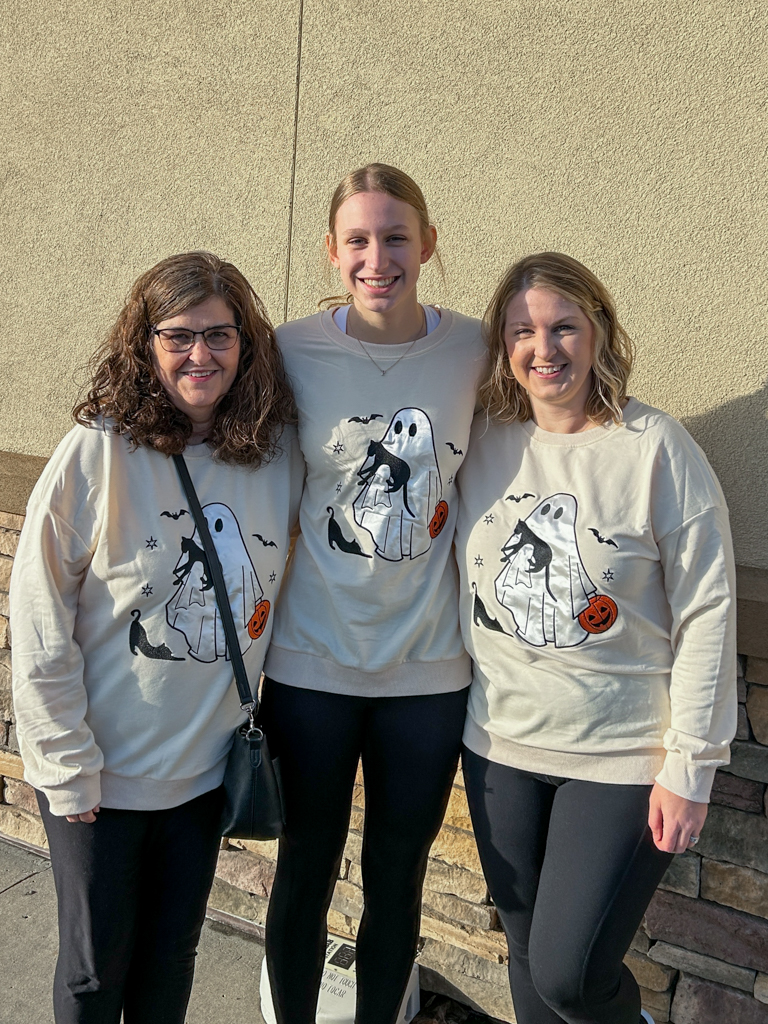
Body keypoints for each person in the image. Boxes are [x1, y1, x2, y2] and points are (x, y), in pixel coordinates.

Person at [10, 251, 303, 1024]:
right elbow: (39, 612)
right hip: (100, 779)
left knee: (171, 961)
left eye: (218, 335)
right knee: (92, 974)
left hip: (203, 779)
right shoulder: (100, 450)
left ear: (247, 346)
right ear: (145, 343)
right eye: (177, 336)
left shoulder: (275, 458)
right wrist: (64, 763)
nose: (199, 355)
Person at [455, 252, 736, 1024]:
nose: (543, 349)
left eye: (563, 326)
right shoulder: (480, 441)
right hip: (499, 746)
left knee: (571, 974)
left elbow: (708, 607)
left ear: (599, 330)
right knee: (525, 957)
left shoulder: (654, 448)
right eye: (522, 331)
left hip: (620, 757)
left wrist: (694, 765)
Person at [261, 163, 486, 1024]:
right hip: (311, 667)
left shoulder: (473, 348)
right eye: (357, 239)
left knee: (399, 877)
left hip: (427, 676)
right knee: (305, 872)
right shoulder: (289, 351)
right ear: (332, 251)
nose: (377, 256)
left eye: (396, 237)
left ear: (428, 244)